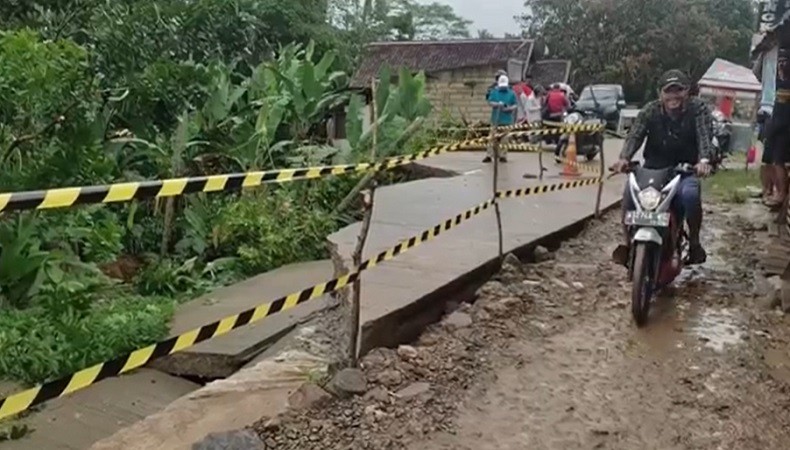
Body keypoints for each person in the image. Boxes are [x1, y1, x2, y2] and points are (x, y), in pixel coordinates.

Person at [610, 69, 712, 265]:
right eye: (668, 91)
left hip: (685, 170)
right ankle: (627, 244)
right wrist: (624, 158)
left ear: (687, 92)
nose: (673, 96)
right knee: (629, 196)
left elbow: (704, 136)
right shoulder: (650, 110)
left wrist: (704, 161)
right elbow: (635, 135)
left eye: (678, 90)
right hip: (653, 170)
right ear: (660, 94)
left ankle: (694, 243)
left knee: (690, 196)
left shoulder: (698, 109)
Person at [484, 74, 517, 163]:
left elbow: (515, 105)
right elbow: (490, 102)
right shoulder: (494, 92)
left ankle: (503, 155)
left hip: (507, 119)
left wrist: (509, 108)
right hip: (495, 119)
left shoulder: (511, 93)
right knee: (492, 138)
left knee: (504, 139)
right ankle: (489, 155)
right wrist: (498, 104)